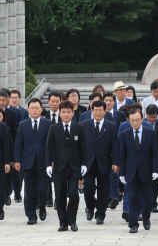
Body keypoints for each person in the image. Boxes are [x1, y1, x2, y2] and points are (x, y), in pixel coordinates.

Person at [46, 100, 88, 232]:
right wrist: (48, 164)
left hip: (74, 166)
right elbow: (49, 148)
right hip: (59, 166)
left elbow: (84, 148)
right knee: (60, 196)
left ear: (72, 113)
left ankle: (73, 220)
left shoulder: (79, 128)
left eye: (68, 112)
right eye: (63, 112)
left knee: (74, 194)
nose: (65, 114)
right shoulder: (54, 128)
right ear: (59, 113)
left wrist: (84, 164)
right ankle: (63, 222)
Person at [119, 108, 158, 233]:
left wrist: (155, 170)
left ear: (142, 119)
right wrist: (122, 173)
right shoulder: (125, 134)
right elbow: (123, 154)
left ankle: (146, 218)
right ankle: (133, 224)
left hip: (146, 171)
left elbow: (155, 153)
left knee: (148, 198)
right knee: (132, 198)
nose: (135, 123)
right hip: (131, 171)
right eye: (132, 120)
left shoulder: (150, 132)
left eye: (137, 120)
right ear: (129, 120)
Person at [14, 98, 52, 224]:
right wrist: (17, 161)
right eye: (32, 108)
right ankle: (31, 215)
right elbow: (19, 143)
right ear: (28, 110)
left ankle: (42, 206)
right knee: (29, 190)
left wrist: (51, 160)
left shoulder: (48, 124)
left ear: (41, 109)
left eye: (37, 108)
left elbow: (52, 144)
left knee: (42, 189)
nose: (34, 110)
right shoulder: (23, 124)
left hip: (43, 162)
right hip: (27, 161)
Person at [82, 100, 119, 224]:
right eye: (95, 110)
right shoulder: (84, 125)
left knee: (104, 190)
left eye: (100, 110)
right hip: (88, 163)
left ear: (104, 111)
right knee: (88, 188)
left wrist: (115, 162)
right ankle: (90, 208)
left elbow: (115, 146)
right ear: (92, 111)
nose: (98, 112)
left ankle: (100, 214)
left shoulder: (111, 126)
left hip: (104, 162)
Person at [0, 90, 18, 205]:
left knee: (7, 174)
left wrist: (14, 154)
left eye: (4, 100)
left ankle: (7, 194)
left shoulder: (12, 113)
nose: (1, 102)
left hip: (7, 149)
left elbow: (14, 133)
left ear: (7, 100)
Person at [43, 91, 62, 208]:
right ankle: (48, 198)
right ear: (48, 102)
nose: (55, 104)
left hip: (61, 151)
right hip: (46, 150)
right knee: (47, 175)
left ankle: (58, 199)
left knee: (59, 177)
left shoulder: (65, 114)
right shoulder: (44, 114)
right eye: (52, 101)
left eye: (57, 101)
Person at [145, 104, 158, 213]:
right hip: (145, 157)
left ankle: (154, 203)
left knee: (155, 182)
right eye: (150, 117)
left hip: (157, 157)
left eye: (154, 117)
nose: (152, 119)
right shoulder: (142, 123)